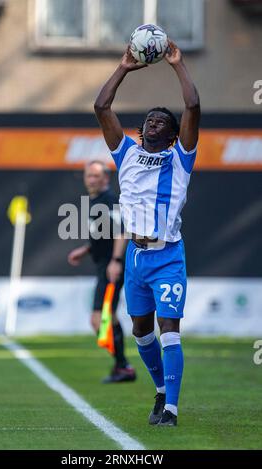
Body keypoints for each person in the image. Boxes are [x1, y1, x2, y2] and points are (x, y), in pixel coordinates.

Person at [94, 40, 200, 426]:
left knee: (168, 329)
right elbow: (101, 107)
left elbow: (192, 106)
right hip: (137, 258)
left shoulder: (180, 157)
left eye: (161, 120)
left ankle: (171, 409)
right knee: (141, 332)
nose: (153, 121)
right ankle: (159, 390)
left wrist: (178, 64)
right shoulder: (125, 152)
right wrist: (123, 67)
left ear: (173, 135)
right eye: (149, 119)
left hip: (168, 255)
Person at [67, 160, 136, 383]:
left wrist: (116, 261)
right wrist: (86, 250)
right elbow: (103, 235)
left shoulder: (109, 201)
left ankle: (123, 366)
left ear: (106, 178)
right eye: (89, 176)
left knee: (100, 319)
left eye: (96, 176)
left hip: (111, 266)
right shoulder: (96, 202)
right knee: (106, 317)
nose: (91, 180)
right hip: (104, 264)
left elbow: (121, 233)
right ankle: (121, 365)